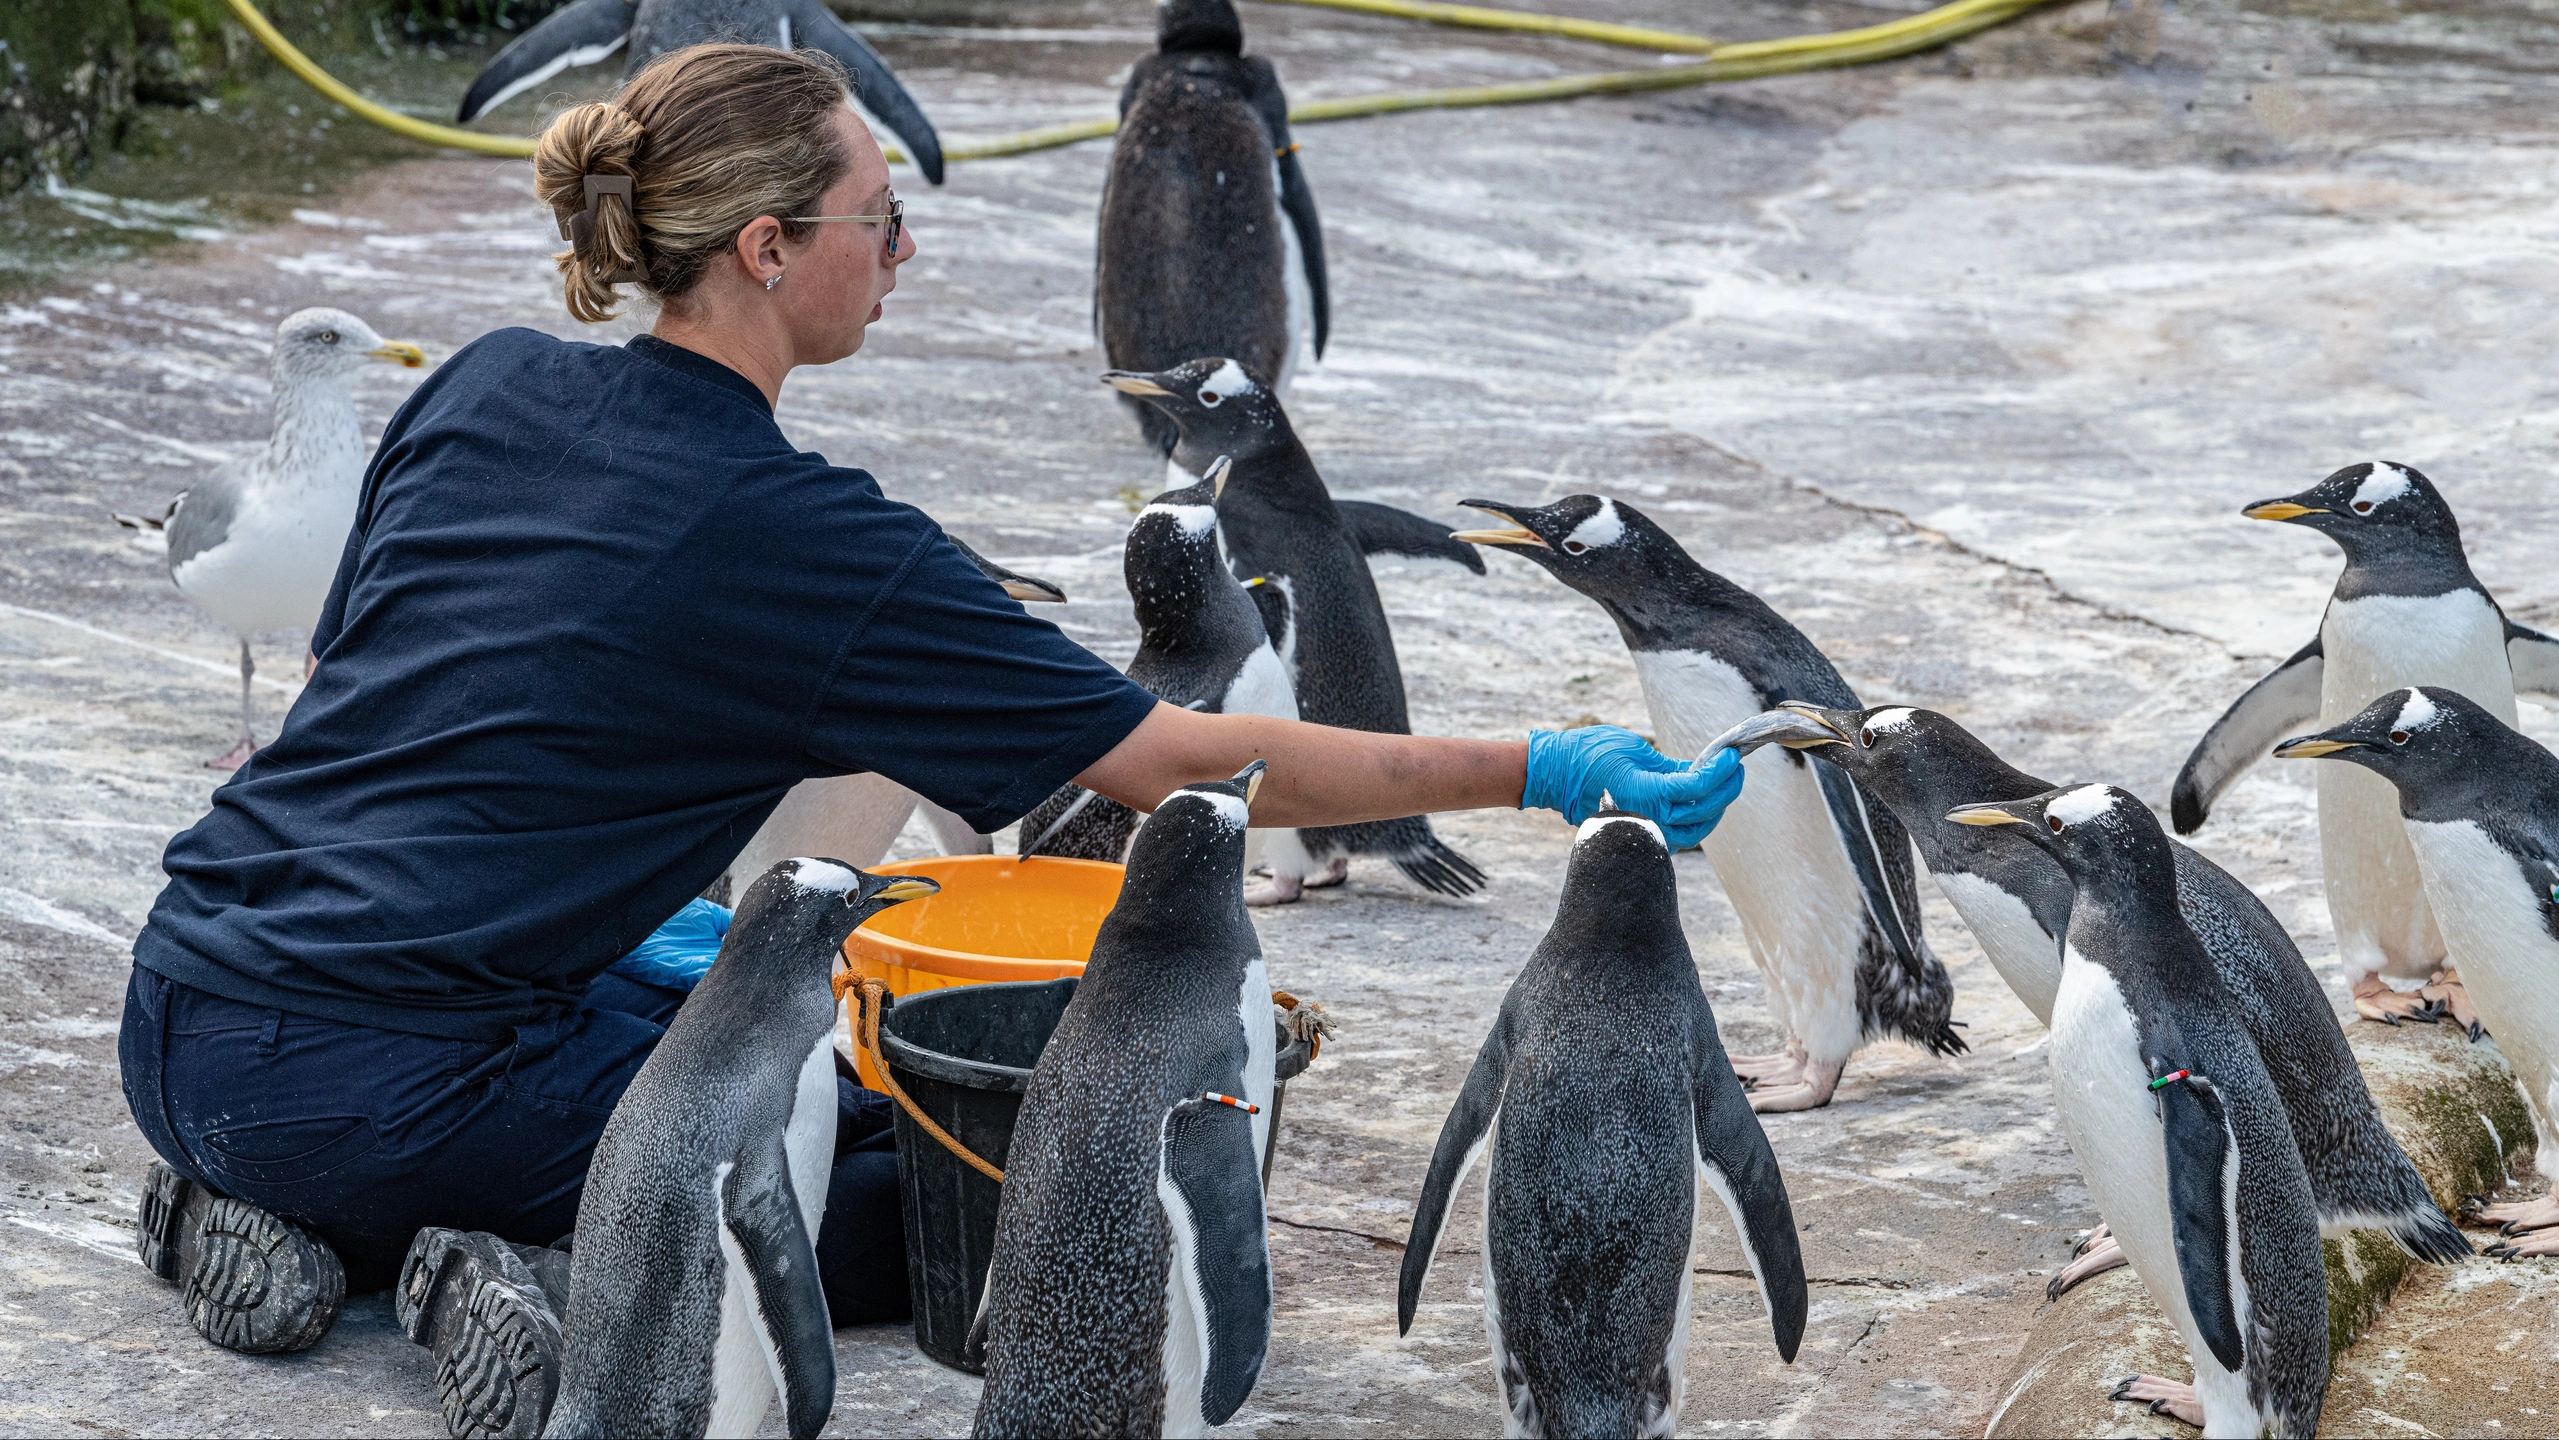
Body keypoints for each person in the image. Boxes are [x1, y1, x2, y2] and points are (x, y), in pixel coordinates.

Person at [114, 42, 1744, 1435]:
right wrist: (1538, 765)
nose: (903, 256)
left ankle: (248, 1219)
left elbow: (367, 688)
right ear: (763, 248)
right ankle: (514, 1273)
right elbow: (1184, 763)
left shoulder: (487, 385)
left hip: (183, 999)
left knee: (786, 1039)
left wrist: (611, 921)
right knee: (981, 1191)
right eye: (877, 220)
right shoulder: (809, 544)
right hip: (378, 1082)